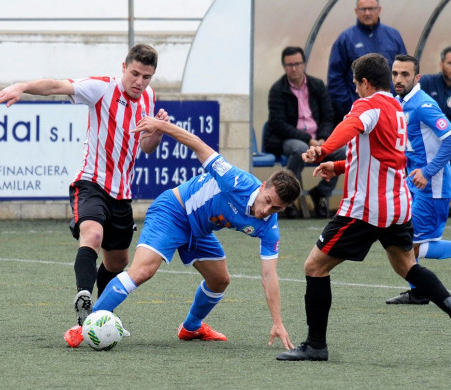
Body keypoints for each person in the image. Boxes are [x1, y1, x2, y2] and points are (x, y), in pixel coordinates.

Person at [276, 53, 451, 362]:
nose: (355, 89)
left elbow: (351, 125)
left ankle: (315, 346)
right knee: (408, 266)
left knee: (314, 267)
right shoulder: (396, 107)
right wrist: (337, 166)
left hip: (365, 209)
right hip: (398, 205)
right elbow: (379, 152)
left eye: (356, 84)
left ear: (365, 83)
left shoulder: (367, 105)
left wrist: (322, 148)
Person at [64, 117, 301, 349]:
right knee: (143, 271)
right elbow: (197, 143)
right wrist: (161, 126)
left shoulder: (270, 227)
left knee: (220, 279)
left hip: (199, 230)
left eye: (277, 208)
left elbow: (269, 276)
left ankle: (191, 327)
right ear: (262, 186)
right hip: (173, 211)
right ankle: (86, 325)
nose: (266, 210)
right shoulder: (235, 180)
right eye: (267, 201)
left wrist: (278, 323)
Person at [0, 44, 169, 326]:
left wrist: (156, 132)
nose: (139, 82)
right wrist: (22, 86)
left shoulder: (148, 97)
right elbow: (57, 85)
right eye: (135, 73)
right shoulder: (102, 88)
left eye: (147, 77)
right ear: (123, 67)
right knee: (92, 235)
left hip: (122, 195)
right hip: (91, 182)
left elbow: (145, 146)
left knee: (117, 263)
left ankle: (96, 313)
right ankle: (83, 298)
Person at [385, 55, 451, 305]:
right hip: (415, 184)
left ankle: (420, 291)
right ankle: (419, 292)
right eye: (395, 73)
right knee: (405, 240)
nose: (398, 79)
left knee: (413, 247)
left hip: (433, 185)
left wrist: (428, 171)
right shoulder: (400, 102)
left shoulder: (423, 104)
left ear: (417, 78)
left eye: (405, 74)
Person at [264, 46, 344, 219]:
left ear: (304, 64)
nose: (294, 68)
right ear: (284, 67)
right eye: (289, 65)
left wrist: (322, 138)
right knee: (299, 149)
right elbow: (279, 124)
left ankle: (322, 193)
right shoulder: (277, 90)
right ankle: (288, 197)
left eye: (297, 63)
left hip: (319, 139)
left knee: (343, 152)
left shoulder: (317, 85)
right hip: (290, 138)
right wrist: (309, 141)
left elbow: (328, 116)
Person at [327, 0, 406, 126]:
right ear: (356, 11)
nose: (367, 13)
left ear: (379, 10)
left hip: (391, 110)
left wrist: (400, 100)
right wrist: (349, 105)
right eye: (363, 9)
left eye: (371, 9)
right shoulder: (346, 39)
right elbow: (335, 78)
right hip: (360, 113)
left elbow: (404, 69)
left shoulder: (393, 36)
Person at [420, 46, 451, 218]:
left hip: (444, 143)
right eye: (450, 63)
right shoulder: (426, 82)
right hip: (422, 142)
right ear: (441, 64)